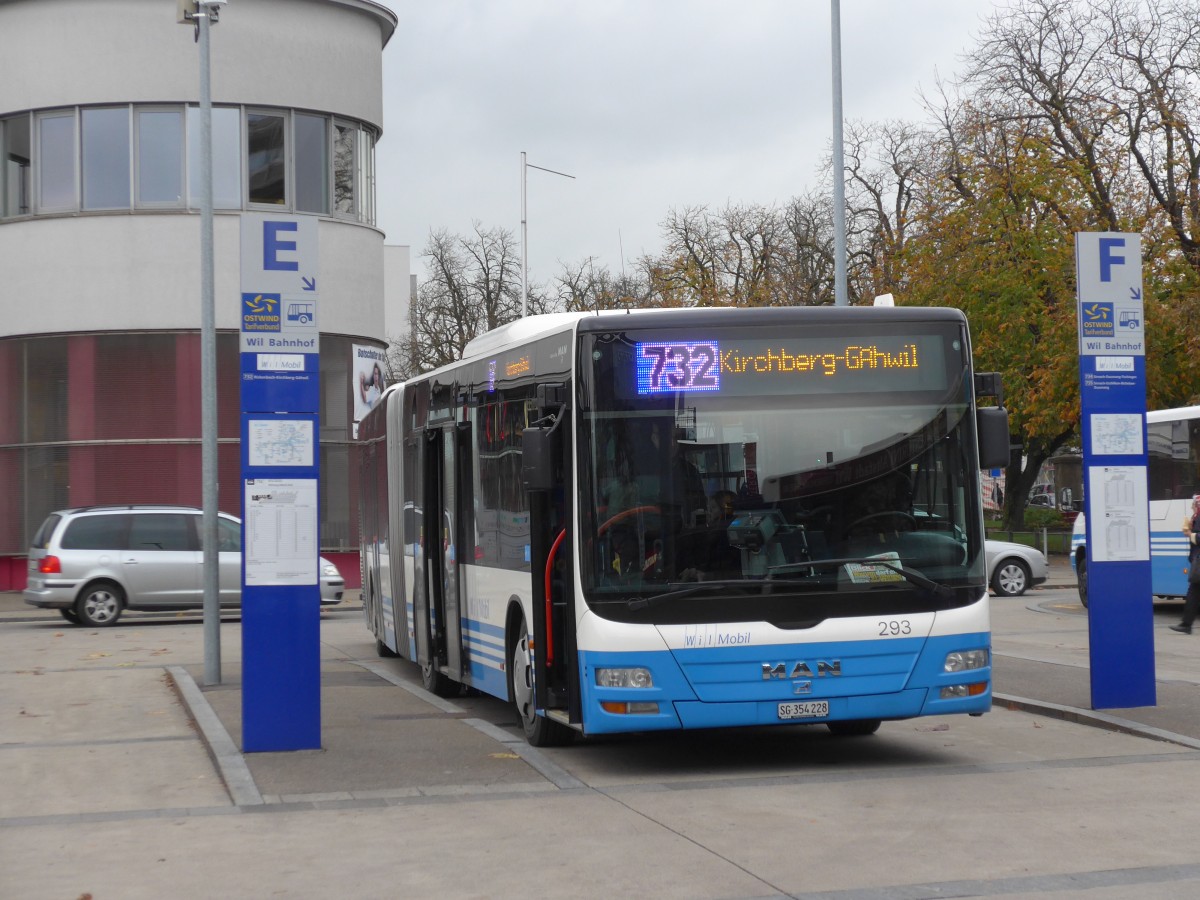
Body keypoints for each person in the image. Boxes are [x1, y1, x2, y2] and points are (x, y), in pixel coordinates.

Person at [1170, 494, 1200, 634]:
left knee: (1193, 592)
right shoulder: (1195, 518)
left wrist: (1191, 534)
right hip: (1197, 560)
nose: (1192, 507)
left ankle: (1186, 625)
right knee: (1193, 592)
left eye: (1194, 504)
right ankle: (1186, 624)